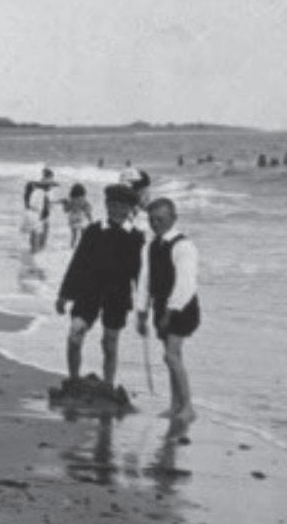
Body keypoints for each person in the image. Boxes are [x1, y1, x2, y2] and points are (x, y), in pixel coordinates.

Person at [56, 183, 145, 390]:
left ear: (130, 209)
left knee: (110, 343)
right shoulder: (93, 231)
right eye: (111, 204)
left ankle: (108, 385)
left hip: (118, 296)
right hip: (88, 291)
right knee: (75, 335)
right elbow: (77, 263)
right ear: (106, 204)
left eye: (121, 205)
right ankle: (74, 379)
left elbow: (139, 274)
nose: (115, 209)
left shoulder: (135, 237)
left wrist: (143, 306)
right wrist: (64, 295)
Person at [136, 198, 199, 422]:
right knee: (172, 356)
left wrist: (170, 312)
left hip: (183, 306)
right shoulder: (150, 246)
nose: (155, 224)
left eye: (160, 219)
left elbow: (185, 283)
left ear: (173, 218)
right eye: (151, 220)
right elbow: (145, 279)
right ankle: (175, 405)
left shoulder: (183, 246)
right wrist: (141, 311)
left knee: (171, 355)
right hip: (161, 304)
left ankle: (188, 407)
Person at [22, 166, 58, 254]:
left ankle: (34, 249)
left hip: (35, 212)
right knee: (41, 231)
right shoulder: (43, 188)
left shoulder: (38, 187)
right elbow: (48, 202)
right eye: (51, 177)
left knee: (35, 232)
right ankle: (38, 250)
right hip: (41, 213)